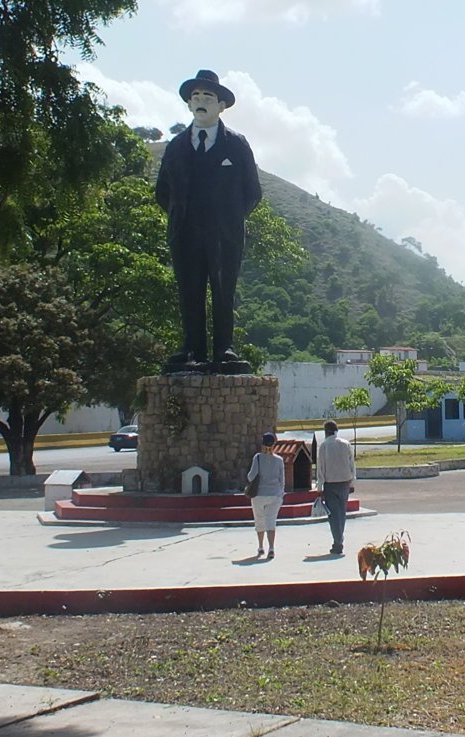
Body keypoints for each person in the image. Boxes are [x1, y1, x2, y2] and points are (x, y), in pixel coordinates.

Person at [155, 69, 262, 371]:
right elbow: (162, 191)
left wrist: (229, 218)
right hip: (185, 232)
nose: (201, 101)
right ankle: (191, 349)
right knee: (189, 290)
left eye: (208, 97)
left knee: (223, 289)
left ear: (221, 105)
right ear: (189, 104)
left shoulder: (236, 144)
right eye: (196, 97)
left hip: (224, 234)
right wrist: (181, 218)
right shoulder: (176, 146)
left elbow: (252, 192)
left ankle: (224, 348)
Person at [316, 419, 355, 555]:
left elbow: (320, 468)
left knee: (333, 515)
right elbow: (352, 465)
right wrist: (352, 482)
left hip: (330, 484)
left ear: (326, 431)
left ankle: (337, 541)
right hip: (345, 482)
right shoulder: (346, 444)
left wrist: (319, 488)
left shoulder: (324, 446)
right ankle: (339, 538)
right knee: (342, 512)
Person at [246, 431, 284, 559]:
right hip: (274, 494)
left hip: (259, 495)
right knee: (271, 521)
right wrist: (280, 495)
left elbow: (251, 476)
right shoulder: (279, 460)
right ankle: (272, 548)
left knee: (259, 520)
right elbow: (282, 480)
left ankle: (261, 546)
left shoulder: (257, 458)